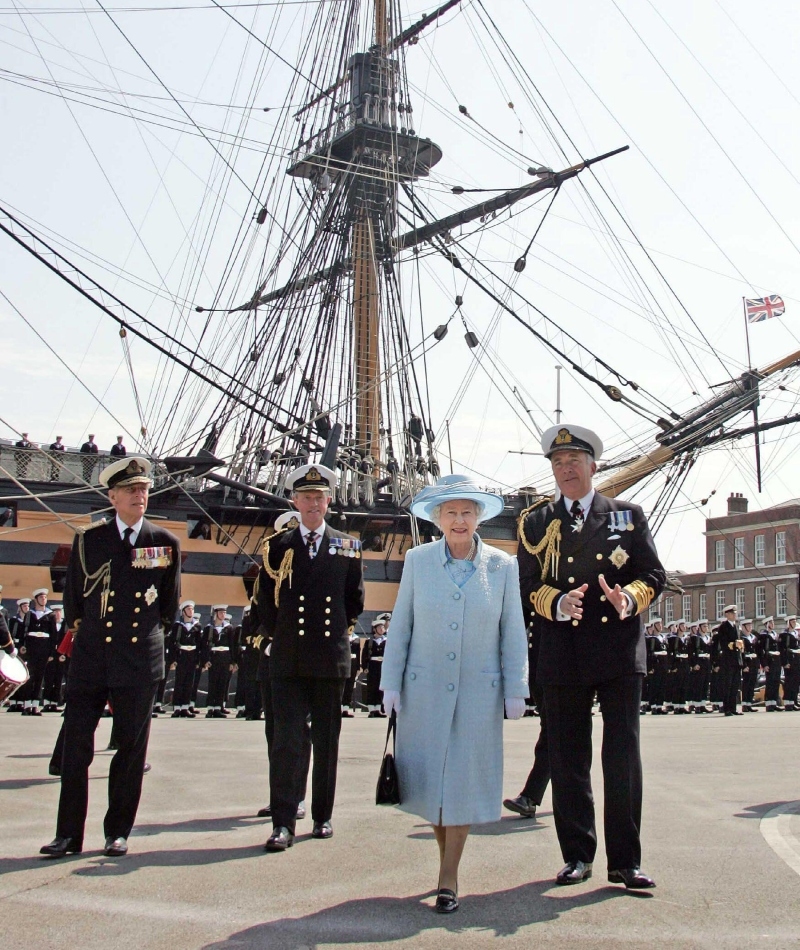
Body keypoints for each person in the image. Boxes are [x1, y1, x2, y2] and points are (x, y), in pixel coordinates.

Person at [517, 424, 665, 890]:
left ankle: (625, 862)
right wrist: (556, 604)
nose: (566, 470)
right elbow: (526, 585)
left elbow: (653, 573)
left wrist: (631, 599)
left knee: (622, 757)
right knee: (567, 758)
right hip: (562, 652)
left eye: (574, 462)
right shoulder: (536, 523)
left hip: (618, 649)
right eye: (558, 464)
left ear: (593, 465)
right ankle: (577, 856)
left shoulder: (627, 515)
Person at [381, 474, 528, 914]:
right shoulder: (417, 560)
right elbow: (401, 625)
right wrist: (390, 681)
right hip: (422, 690)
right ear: (437, 519)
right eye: (451, 513)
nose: (459, 520)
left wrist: (516, 686)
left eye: (467, 512)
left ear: (479, 516)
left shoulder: (503, 566)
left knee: (462, 784)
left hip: (478, 693)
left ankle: (448, 877)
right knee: (433, 787)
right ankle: (447, 862)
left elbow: (513, 631)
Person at [39, 456, 180, 859]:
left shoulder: (163, 542)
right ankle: (68, 835)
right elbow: (74, 603)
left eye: (144, 489)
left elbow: (167, 607)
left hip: (138, 659)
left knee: (131, 751)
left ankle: (117, 831)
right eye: (131, 490)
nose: (140, 495)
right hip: (93, 656)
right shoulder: (90, 540)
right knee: (76, 749)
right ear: (112, 496)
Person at [256, 464, 364, 852]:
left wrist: (338, 634)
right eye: (306, 497)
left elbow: (355, 600)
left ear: (329, 501)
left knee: (327, 740)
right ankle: (282, 822)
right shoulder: (277, 547)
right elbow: (264, 602)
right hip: (288, 659)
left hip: (328, 658)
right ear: (295, 501)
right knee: (286, 742)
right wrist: (276, 638)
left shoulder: (347, 545)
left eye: (320, 497)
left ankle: (322, 816)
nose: (314, 503)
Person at [504, 617, 550, 820]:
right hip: (539, 664)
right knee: (554, 732)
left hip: (562, 666)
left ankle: (531, 796)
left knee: (553, 733)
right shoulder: (528, 586)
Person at [20, 588, 57, 716]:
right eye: (41, 598)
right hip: (31, 647)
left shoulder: (50, 615)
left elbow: (53, 635)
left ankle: (35, 705)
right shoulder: (30, 614)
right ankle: (26, 705)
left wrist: (52, 653)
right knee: (30, 676)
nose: (43, 599)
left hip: (44, 648)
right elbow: (23, 631)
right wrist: (22, 646)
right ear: (36, 600)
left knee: (40, 677)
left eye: (45, 598)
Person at [169, 600, 203, 717]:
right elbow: (172, 644)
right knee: (179, 682)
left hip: (192, 656)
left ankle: (185, 707)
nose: (191, 611)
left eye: (192, 609)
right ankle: (177, 707)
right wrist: (172, 660)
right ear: (183, 612)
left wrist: (199, 660)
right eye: (188, 609)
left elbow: (200, 645)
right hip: (181, 655)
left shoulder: (197, 626)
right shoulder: (178, 626)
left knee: (189, 683)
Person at [202, 605, 238, 718]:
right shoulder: (209, 628)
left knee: (222, 683)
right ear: (215, 614)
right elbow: (204, 646)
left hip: (225, 658)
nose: (223, 615)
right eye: (221, 612)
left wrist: (233, 662)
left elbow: (233, 645)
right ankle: (210, 708)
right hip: (214, 657)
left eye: (224, 612)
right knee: (212, 683)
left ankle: (218, 707)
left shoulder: (229, 628)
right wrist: (205, 660)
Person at [716, 605, 744, 716]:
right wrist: (733, 644)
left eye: (735, 613)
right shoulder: (723, 627)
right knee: (727, 685)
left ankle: (733, 708)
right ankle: (726, 708)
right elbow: (723, 643)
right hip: (728, 660)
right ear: (727, 614)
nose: (734, 615)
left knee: (735, 685)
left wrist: (740, 645)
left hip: (736, 659)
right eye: (732, 613)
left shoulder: (737, 626)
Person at [42, 603, 68, 711]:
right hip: (52, 655)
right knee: (49, 679)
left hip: (60, 655)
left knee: (58, 679)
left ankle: (54, 702)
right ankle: (46, 702)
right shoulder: (50, 624)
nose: (57, 614)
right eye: (55, 612)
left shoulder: (64, 624)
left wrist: (63, 654)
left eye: (59, 612)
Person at [361, 617, 388, 717]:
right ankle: (371, 709)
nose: (382, 629)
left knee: (380, 687)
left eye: (383, 627)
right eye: (379, 627)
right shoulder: (370, 641)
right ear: (375, 629)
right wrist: (365, 667)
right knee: (372, 687)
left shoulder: (387, 641)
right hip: (372, 666)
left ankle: (378, 708)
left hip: (382, 666)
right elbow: (364, 655)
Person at [759, 617, 782, 711]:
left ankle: (774, 702)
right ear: (767, 624)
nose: (773, 624)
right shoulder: (764, 635)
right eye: (771, 622)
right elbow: (761, 651)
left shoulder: (774, 634)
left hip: (776, 660)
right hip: (769, 660)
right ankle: (769, 703)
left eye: (773, 622)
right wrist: (764, 664)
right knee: (770, 682)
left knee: (776, 682)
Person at [740, 619, 759, 712]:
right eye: (748, 626)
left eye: (750, 626)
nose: (750, 627)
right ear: (743, 627)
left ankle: (749, 703)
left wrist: (758, 664)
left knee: (752, 683)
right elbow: (741, 653)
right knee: (746, 684)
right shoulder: (741, 638)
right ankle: (744, 704)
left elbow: (758, 651)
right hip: (747, 662)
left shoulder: (754, 637)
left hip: (754, 662)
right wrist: (744, 665)